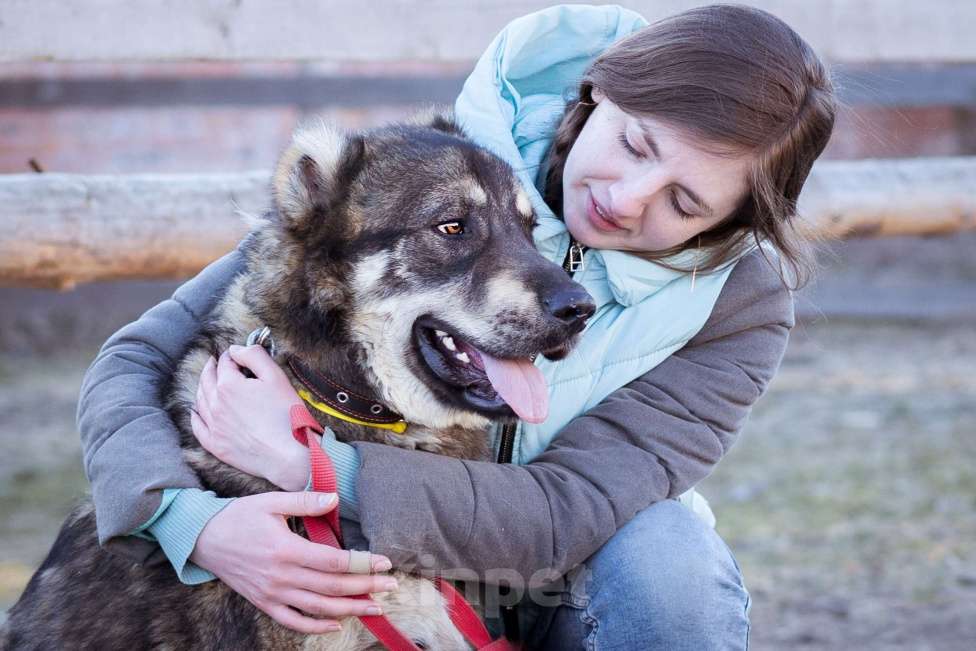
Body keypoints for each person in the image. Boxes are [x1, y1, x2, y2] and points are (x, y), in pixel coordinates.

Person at [76, 4, 835, 649]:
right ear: (600, 89)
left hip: (560, 582)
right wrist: (193, 524)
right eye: (635, 145)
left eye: (686, 204)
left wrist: (310, 466)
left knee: (673, 562)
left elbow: (565, 510)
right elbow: (139, 354)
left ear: (731, 224)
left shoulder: (737, 306)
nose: (630, 199)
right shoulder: (422, 170)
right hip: (372, 555)